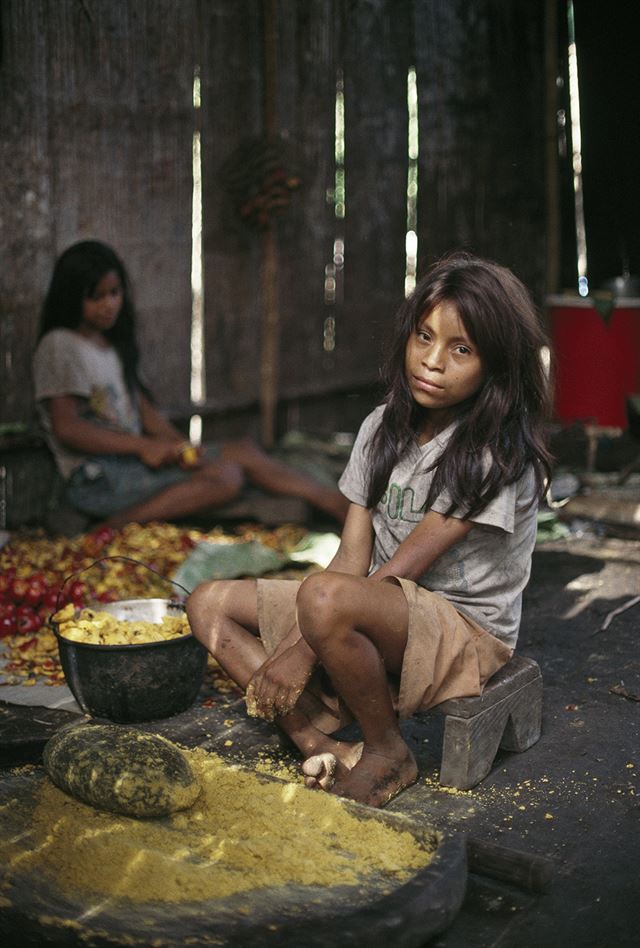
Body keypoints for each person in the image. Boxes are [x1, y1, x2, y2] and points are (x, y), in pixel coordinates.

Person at [186, 252, 553, 808]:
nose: (432, 362)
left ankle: (387, 752)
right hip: (374, 605)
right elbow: (350, 561)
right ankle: (320, 743)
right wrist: (295, 644)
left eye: (461, 350)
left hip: (461, 630)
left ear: (495, 366)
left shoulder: (493, 453)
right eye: (423, 337)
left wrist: (299, 650)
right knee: (207, 605)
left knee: (325, 600)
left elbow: (405, 568)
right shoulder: (381, 428)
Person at [32, 240, 349, 530]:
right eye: (96, 296)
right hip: (95, 479)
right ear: (72, 297)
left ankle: (331, 500)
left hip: (128, 464)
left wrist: (182, 448)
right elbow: (67, 428)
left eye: (114, 293)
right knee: (227, 475)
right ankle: (116, 526)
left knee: (242, 450)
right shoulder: (60, 345)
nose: (109, 305)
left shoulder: (109, 345)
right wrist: (144, 447)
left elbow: (144, 412)